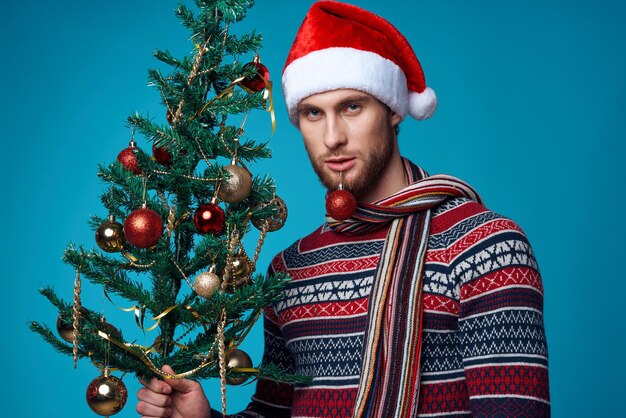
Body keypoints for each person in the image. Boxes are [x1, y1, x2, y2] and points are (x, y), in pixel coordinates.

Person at [136, 1, 550, 417]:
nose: (332, 137)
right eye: (313, 113)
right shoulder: (290, 268)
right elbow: (274, 413)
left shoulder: (485, 247)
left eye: (352, 107)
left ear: (391, 111)